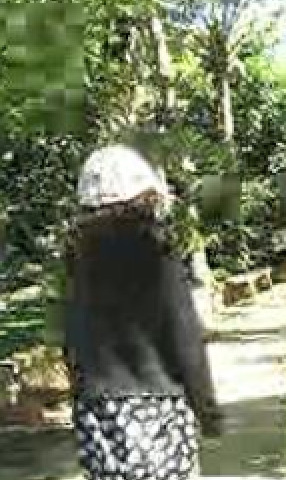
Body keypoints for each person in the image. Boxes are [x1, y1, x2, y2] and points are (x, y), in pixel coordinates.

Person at [64, 145, 222, 480]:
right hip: (158, 409)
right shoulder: (158, 252)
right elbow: (185, 336)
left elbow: (72, 339)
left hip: (99, 413)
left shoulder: (78, 259)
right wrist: (207, 410)